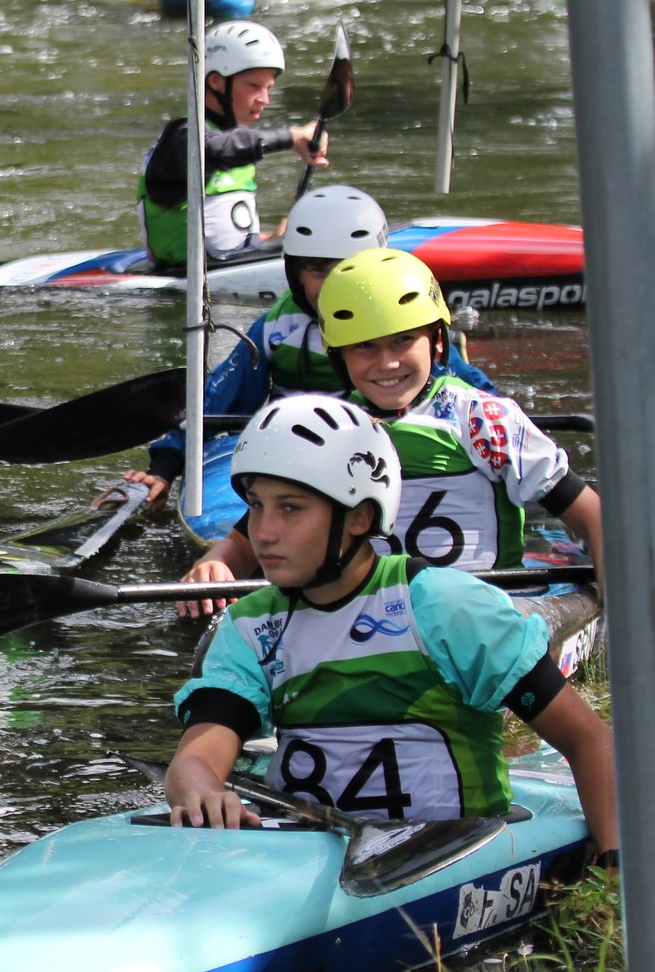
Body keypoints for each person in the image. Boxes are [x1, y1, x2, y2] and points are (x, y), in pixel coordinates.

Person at [161, 393, 617, 861]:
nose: (264, 531)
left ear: (359, 516)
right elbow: (195, 758)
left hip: (455, 855)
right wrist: (201, 791)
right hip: (312, 855)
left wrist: (615, 865)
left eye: (291, 508)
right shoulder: (248, 625)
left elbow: (586, 739)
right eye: (256, 506)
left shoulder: (444, 606)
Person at [174, 248, 603, 613]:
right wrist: (219, 561)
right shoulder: (328, 428)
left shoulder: (483, 419)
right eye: (364, 347)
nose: (387, 363)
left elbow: (592, 517)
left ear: (437, 342)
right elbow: (255, 531)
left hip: (479, 611)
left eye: (402, 341)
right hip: (371, 616)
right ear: (339, 357)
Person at [124, 186, 498, 511]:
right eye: (319, 270)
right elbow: (217, 401)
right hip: (299, 444)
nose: (335, 284)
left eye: (347, 267)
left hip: (382, 446)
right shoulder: (275, 329)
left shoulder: (409, 329)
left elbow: (477, 400)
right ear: (294, 273)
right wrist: (165, 467)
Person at [134, 22, 329, 270]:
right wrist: (290, 137)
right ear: (216, 81)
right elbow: (213, 151)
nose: (265, 99)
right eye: (254, 86)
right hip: (185, 277)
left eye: (268, 88)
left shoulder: (236, 143)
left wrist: (269, 239)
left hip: (228, 264)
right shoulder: (181, 137)